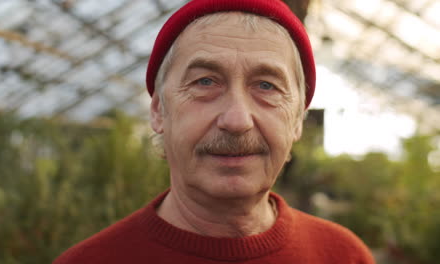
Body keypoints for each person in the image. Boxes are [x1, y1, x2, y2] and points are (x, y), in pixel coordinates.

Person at [53, 0, 375, 263]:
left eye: (266, 86)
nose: (237, 120)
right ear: (158, 111)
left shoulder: (343, 256)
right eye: (205, 82)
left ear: (297, 121)